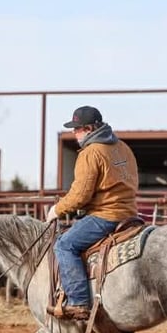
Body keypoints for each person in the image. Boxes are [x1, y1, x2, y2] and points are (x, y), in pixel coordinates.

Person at [45, 105, 139, 321]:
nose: (74, 133)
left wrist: (57, 210)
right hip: (129, 214)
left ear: (88, 129)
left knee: (64, 245)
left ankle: (78, 302)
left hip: (106, 215)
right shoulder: (122, 147)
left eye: (77, 128)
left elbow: (80, 195)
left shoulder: (91, 152)